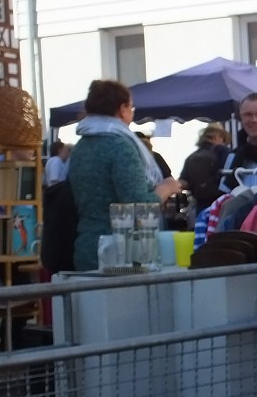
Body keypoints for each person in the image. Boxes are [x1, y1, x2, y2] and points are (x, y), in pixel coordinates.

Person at [68, 80, 182, 271]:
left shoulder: (81, 146)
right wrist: (166, 188)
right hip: (121, 253)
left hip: (87, 245)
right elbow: (137, 204)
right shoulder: (120, 146)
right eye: (131, 106)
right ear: (122, 109)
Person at [179, 123, 229, 210]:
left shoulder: (191, 157)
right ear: (218, 137)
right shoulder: (222, 152)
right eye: (223, 139)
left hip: (200, 203)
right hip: (220, 202)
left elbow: (183, 182)